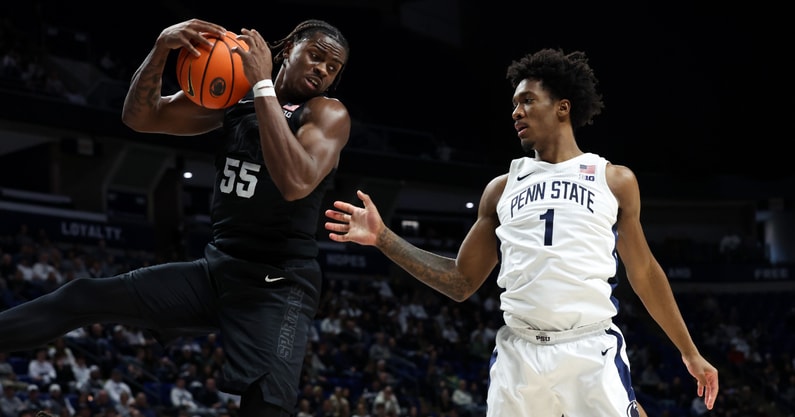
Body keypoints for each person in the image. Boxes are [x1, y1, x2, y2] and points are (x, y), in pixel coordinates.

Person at [324, 48, 719, 416]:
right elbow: (461, 282)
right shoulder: (501, 188)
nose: (516, 111)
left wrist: (689, 351)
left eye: (527, 100)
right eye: (514, 103)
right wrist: (383, 238)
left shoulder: (613, 179)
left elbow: (645, 272)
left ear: (563, 108)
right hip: (519, 355)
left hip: (589, 348)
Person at [0, 17, 351, 417]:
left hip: (279, 284)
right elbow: (142, 118)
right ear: (289, 50)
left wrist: (263, 86)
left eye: (333, 67)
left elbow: (295, 182)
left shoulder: (327, 113)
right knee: (82, 296)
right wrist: (160, 51)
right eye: (317, 57)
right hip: (219, 269)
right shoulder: (237, 96)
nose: (323, 70)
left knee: (266, 408)